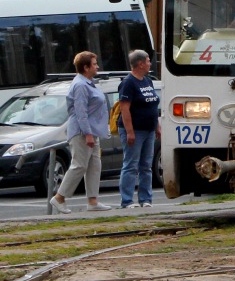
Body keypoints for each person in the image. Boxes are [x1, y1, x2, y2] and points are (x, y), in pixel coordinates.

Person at [49, 51, 112, 214]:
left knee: (94, 165)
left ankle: (93, 201)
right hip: (82, 132)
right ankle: (59, 198)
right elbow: (80, 111)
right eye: (94, 63)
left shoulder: (89, 82)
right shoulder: (81, 85)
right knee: (79, 165)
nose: (97, 66)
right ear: (86, 67)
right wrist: (88, 134)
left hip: (92, 131)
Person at [117, 49, 161, 208]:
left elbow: (153, 104)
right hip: (134, 130)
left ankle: (146, 199)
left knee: (146, 166)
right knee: (130, 165)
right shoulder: (128, 83)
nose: (150, 63)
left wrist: (157, 126)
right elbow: (125, 109)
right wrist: (129, 131)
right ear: (140, 63)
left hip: (149, 129)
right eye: (148, 61)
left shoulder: (147, 81)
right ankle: (127, 200)